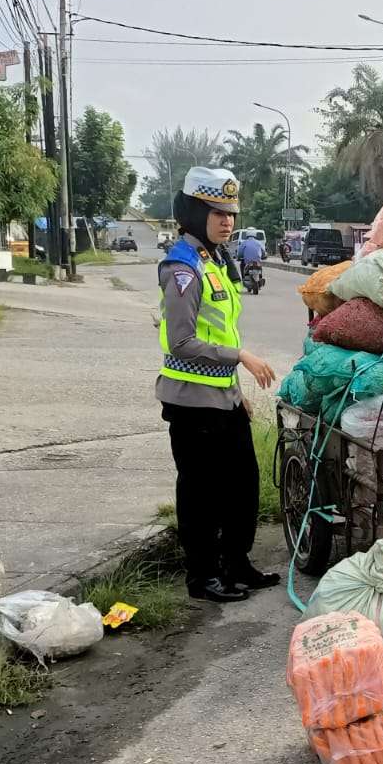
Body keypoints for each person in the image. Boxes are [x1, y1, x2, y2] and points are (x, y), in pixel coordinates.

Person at [156, 166, 281, 603]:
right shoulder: (182, 267)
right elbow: (183, 341)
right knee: (201, 494)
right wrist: (241, 358)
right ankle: (203, 577)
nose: (227, 221)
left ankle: (236, 563)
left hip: (222, 398)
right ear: (193, 212)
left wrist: (236, 392)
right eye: (216, 212)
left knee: (243, 484)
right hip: (191, 403)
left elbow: (221, 330)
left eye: (230, 213)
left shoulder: (216, 260)